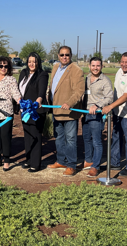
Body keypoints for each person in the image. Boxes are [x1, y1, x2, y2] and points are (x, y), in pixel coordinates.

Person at [102, 52, 127, 177]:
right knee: (116, 136)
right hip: (117, 111)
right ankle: (115, 162)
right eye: (122, 62)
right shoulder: (120, 71)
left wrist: (110, 106)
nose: (124, 64)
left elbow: (126, 96)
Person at [48, 46, 85, 176]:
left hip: (69, 112)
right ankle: (61, 160)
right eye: (62, 55)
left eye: (67, 55)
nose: (64, 57)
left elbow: (79, 91)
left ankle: (71, 165)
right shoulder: (55, 67)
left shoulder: (76, 70)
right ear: (58, 55)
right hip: (56, 110)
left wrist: (69, 103)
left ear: (71, 55)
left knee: (70, 139)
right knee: (58, 138)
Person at [79, 57, 113, 177]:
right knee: (86, 138)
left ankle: (95, 166)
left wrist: (97, 105)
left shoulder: (105, 81)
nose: (95, 68)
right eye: (93, 65)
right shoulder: (86, 79)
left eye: (98, 65)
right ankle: (88, 161)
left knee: (97, 142)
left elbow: (109, 98)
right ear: (89, 66)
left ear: (101, 66)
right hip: (85, 113)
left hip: (97, 115)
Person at [0, 56, 21, 171]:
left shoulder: (11, 79)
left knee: (5, 137)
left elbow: (15, 93)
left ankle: (6, 160)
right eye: (1, 66)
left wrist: (19, 100)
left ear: (9, 68)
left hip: (6, 113)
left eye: (6, 66)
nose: (3, 68)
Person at [18, 52, 48, 172]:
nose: (32, 64)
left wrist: (39, 99)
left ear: (38, 62)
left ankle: (35, 164)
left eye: (34, 61)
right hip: (24, 110)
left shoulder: (42, 74)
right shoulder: (23, 73)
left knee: (36, 136)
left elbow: (42, 91)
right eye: (30, 61)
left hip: (36, 111)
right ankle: (28, 160)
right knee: (27, 135)